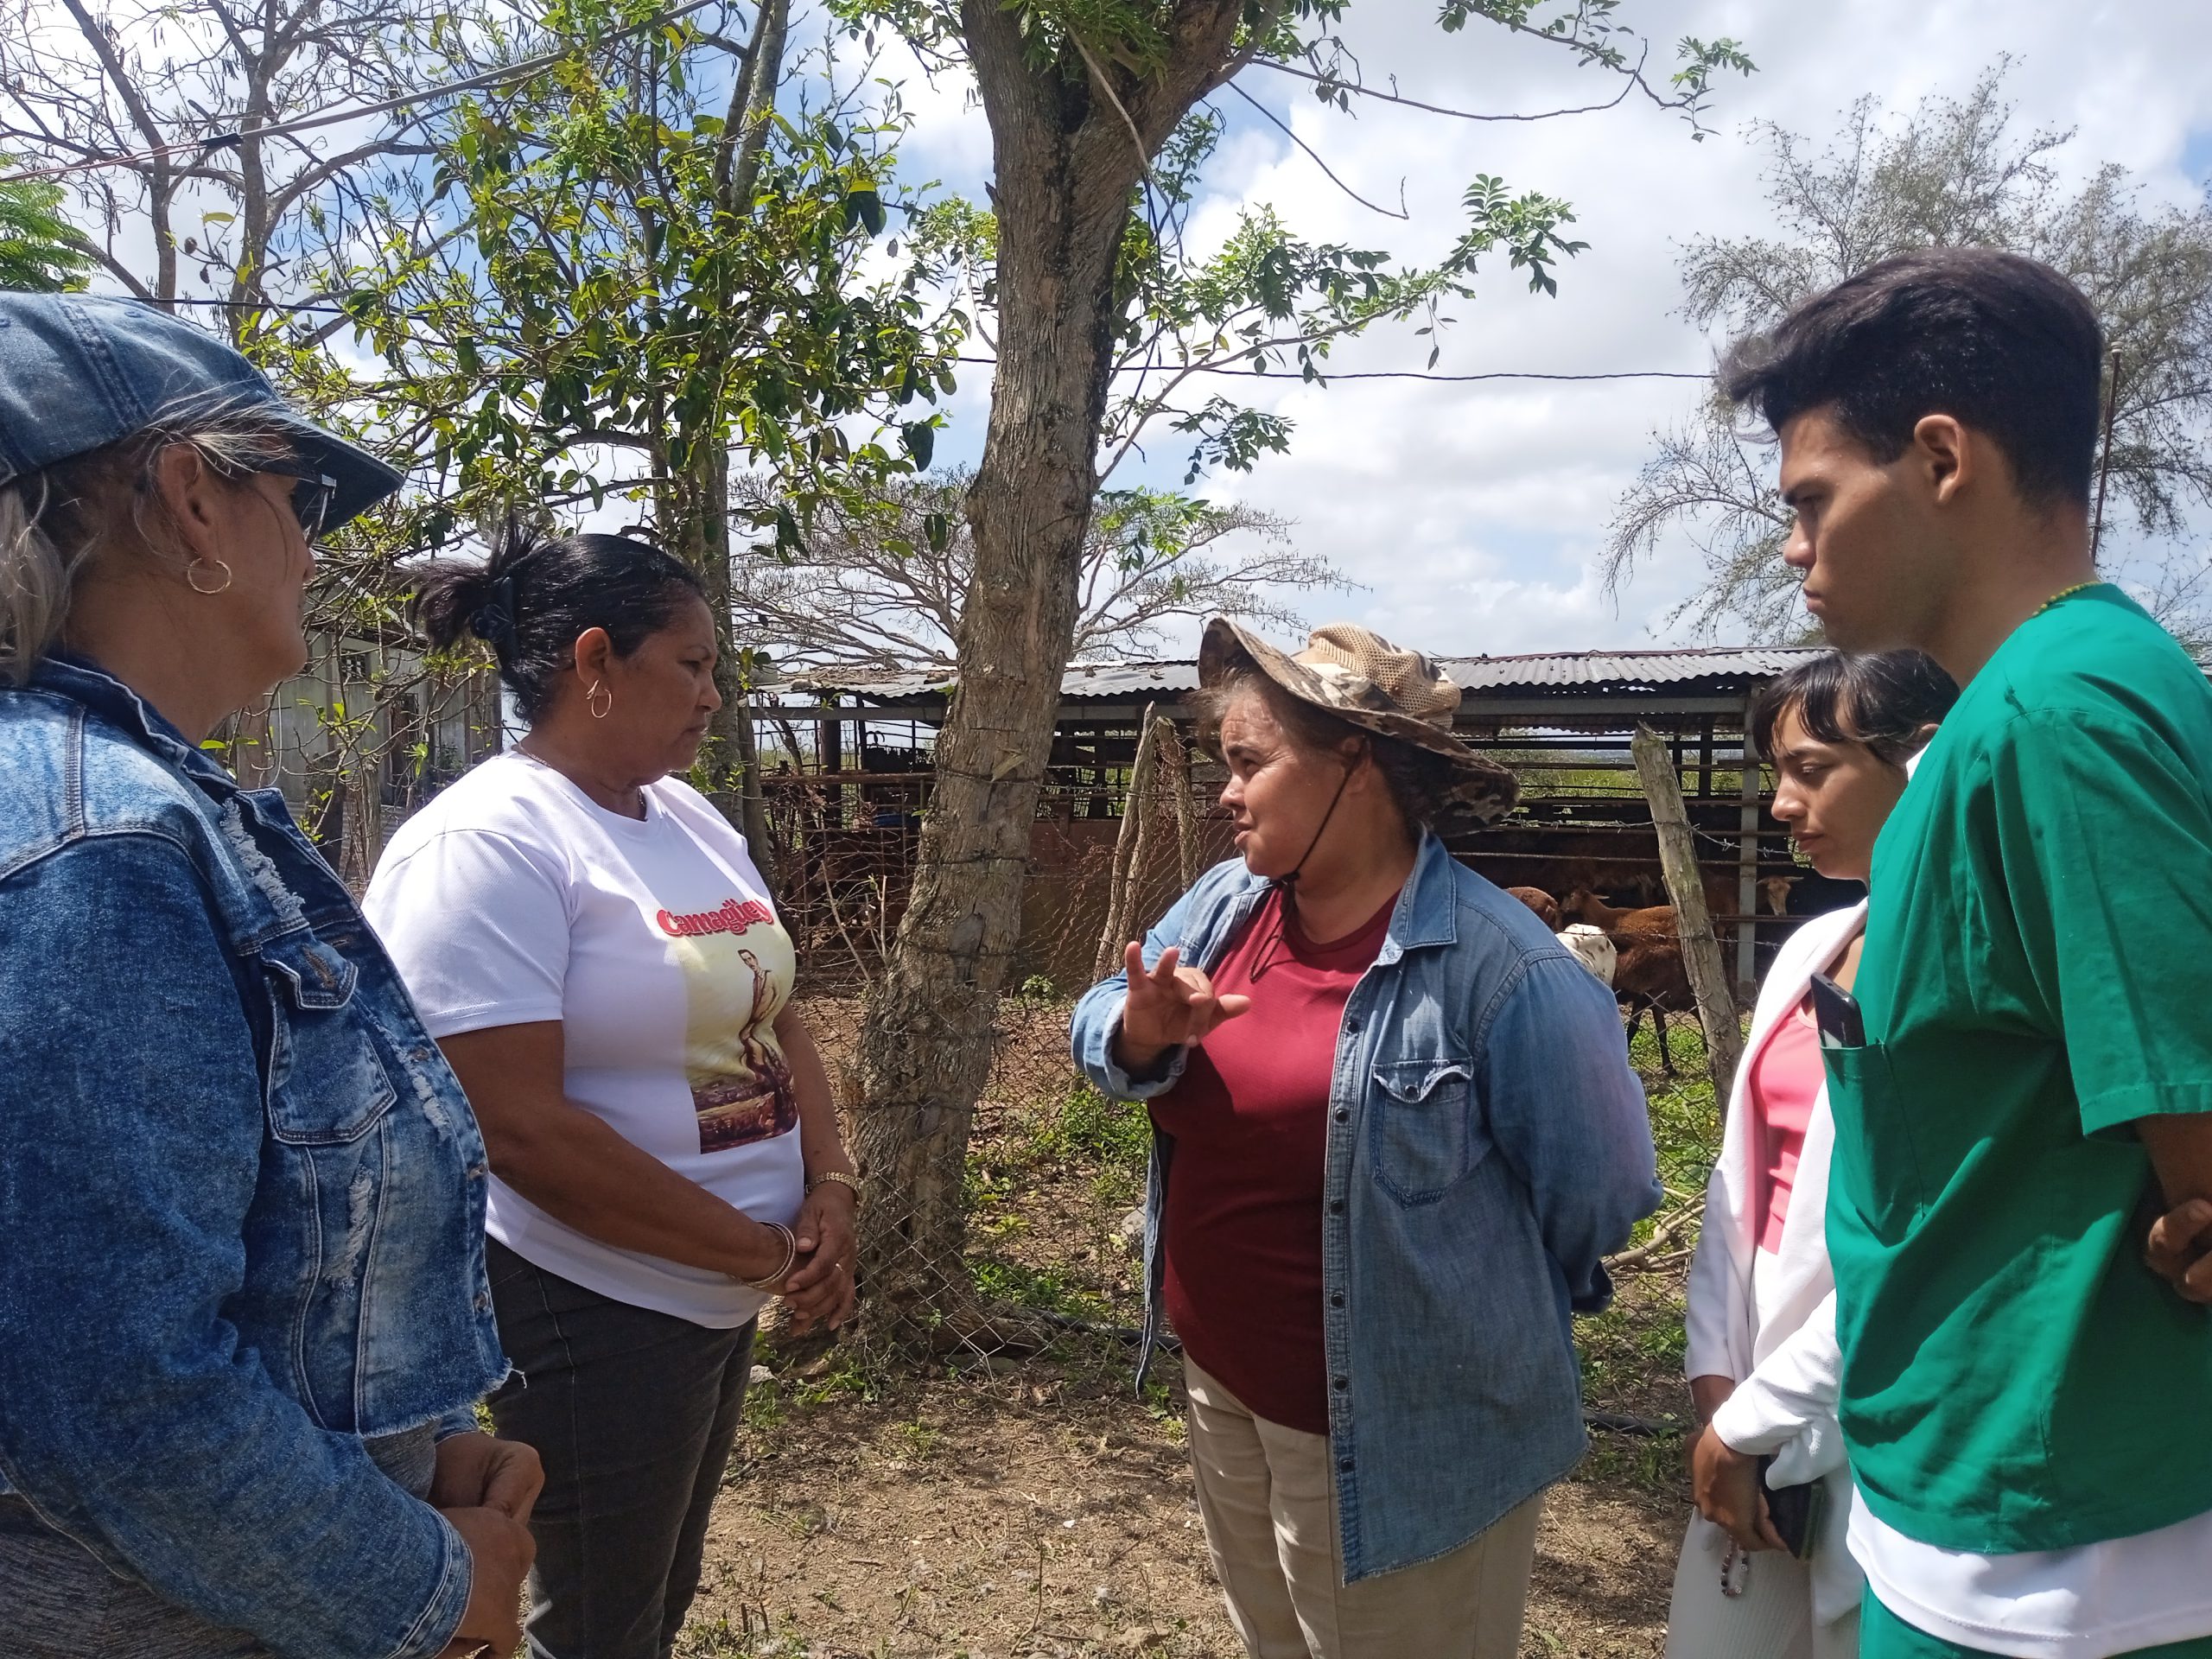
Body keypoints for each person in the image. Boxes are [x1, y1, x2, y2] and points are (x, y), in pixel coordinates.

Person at [0, 293, 538, 1658]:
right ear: (188, 497)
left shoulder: (163, 813)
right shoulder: (100, 841)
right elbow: (121, 1394)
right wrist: (426, 1581)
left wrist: (421, 1451)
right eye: (298, 498)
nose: (312, 548)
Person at [1721, 247, 2212, 1659]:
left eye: (1814, 500)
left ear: (1941, 459)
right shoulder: (2051, 704)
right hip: (1994, 1506)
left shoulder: (2059, 723)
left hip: (2060, 1566)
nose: (1794, 543)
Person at [1071, 619, 1661, 1659]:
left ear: (1355, 760)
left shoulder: (1504, 971)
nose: (1226, 792)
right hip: (1225, 1388)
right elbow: (1100, 1017)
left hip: (1404, 1430)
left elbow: (1599, 1193)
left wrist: (1470, 1316)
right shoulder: (1227, 907)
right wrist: (1136, 1027)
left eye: (1249, 763)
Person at [363, 524, 861, 1659]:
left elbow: (773, 1007)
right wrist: (759, 1253)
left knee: (653, 1590)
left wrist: (828, 1186)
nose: (715, 697)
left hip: (718, 1285)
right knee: (587, 1619)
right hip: (592, 1298)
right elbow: (515, 1126)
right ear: (595, 661)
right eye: (692, 665)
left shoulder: (685, 818)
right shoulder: (488, 845)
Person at [1668, 651, 1958, 1659]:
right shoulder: (1810, 947)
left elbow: (1921, 1239)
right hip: (1748, 1410)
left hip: (1871, 1411)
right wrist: (1716, 1377)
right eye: (1773, 773)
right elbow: (1736, 1187)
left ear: (1919, 764)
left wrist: (1762, 1414)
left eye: (1811, 770)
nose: (1783, 804)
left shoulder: (1960, 969)